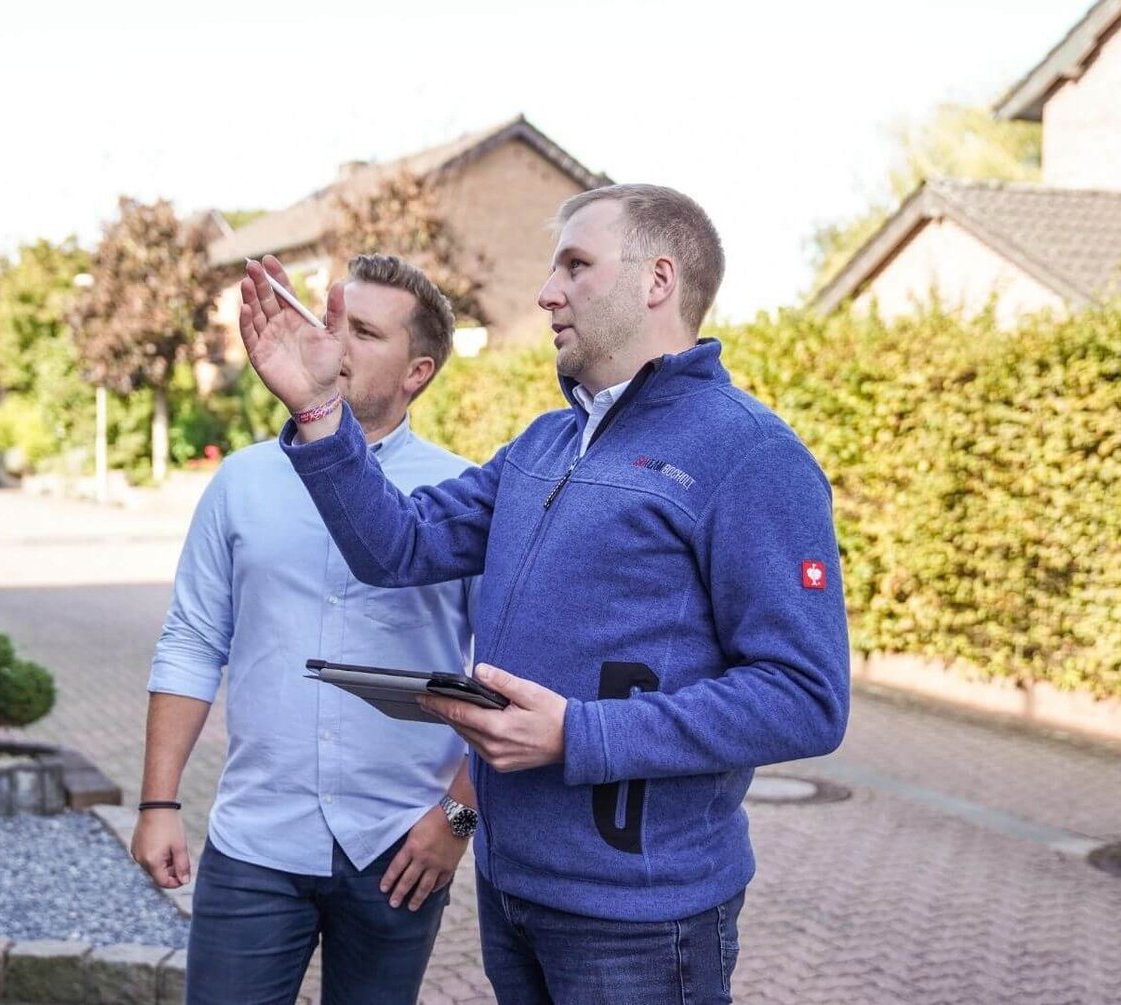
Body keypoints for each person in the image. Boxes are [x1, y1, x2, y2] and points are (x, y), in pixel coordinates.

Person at [237, 184, 851, 1004]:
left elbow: (806, 697)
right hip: (512, 891)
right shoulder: (543, 443)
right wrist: (318, 408)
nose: (545, 293)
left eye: (575, 265)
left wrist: (577, 734)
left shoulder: (751, 455)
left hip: (641, 919)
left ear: (658, 279)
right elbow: (397, 544)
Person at [134, 254, 482, 1005]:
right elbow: (192, 640)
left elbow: (508, 673)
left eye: (363, 331)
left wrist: (455, 821)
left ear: (418, 372)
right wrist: (158, 802)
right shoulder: (242, 481)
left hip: (401, 845)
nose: (332, 341)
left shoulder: (461, 494)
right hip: (258, 839)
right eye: (329, 321)